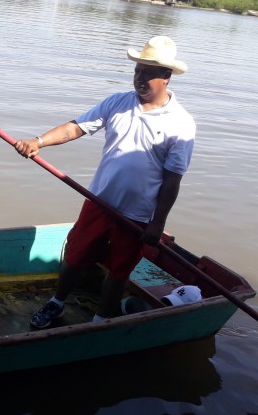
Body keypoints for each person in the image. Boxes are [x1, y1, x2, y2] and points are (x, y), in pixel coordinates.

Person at [12, 36, 195, 329]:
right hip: (99, 201)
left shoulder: (181, 123)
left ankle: (100, 320)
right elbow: (76, 128)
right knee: (75, 255)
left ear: (167, 77)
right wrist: (39, 141)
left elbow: (173, 180)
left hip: (137, 214)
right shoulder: (118, 103)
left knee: (120, 270)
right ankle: (56, 303)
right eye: (138, 70)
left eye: (148, 73)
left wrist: (157, 224)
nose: (140, 78)